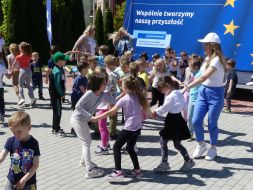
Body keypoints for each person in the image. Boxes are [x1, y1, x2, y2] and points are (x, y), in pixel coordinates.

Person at [91, 76, 149, 180]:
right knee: (130, 148)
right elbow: (146, 111)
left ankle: (118, 171)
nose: (121, 87)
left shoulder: (125, 99)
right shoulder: (138, 96)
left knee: (116, 147)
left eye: (122, 85)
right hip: (137, 127)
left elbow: (110, 112)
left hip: (129, 128)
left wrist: (96, 118)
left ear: (125, 87)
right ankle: (137, 170)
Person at [182, 32, 226, 161]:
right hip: (203, 91)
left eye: (205, 44)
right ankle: (201, 145)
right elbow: (199, 76)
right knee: (196, 120)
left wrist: (187, 87)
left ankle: (213, 148)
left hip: (216, 94)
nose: (203, 46)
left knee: (212, 123)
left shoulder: (217, 60)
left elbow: (203, 77)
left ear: (212, 45)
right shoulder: (207, 58)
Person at [70, 73, 116, 178]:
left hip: (83, 121)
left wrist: (127, 97)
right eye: (104, 83)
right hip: (77, 120)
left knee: (87, 142)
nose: (106, 85)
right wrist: (89, 116)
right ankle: (89, 170)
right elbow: (77, 106)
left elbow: (115, 101)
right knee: (86, 143)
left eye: (106, 83)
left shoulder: (102, 94)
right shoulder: (89, 93)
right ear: (97, 84)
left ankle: (84, 162)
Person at [152, 76, 195, 172]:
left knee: (163, 142)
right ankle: (189, 161)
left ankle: (164, 164)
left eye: (162, 90)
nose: (162, 92)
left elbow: (165, 107)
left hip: (172, 121)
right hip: (179, 120)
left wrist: (156, 112)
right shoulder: (179, 93)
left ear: (167, 86)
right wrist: (185, 118)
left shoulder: (171, 96)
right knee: (177, 144)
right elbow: (185, 106)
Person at [0, 111, 40, 190]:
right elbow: (1, 158)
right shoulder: (10, 141)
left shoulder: (34, 143)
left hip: (28, 182)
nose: (15, 135)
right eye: (13, 132)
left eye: (19, 131)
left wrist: (23, 180)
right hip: (11, 180)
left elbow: (35, 165)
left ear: (29, 128)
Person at [11, 42, 36, 107]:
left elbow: (14, 64)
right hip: (29, 71)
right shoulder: (29, 55)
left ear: (21, 49)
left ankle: (22, 98)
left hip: (22, 71)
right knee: (28, 85)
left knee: (20, 85)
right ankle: (33, 97)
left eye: (19, 47)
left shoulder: (18, 56)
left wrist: (11, 70)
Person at [49, 52, 68, 136]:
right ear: (59, 61)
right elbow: (57, 84)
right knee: (58, 112)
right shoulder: (57, 71)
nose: (66, 61)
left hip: (55, 94)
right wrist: (62, 94)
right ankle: (56, 129)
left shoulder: (58, 69)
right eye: (64, 60)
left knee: (56, 111)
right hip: (56, 94)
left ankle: (54, 127)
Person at [187, 57, 202, 139]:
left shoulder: (201, 73)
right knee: (189, 117)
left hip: (199, 100)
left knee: (197, 119)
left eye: (190, 67)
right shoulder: (193, 74)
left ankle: (199, 136)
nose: (189, 68)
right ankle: (190, 133)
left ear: (196, 67)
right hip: (191, 97)